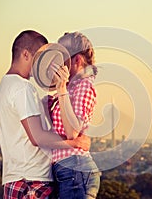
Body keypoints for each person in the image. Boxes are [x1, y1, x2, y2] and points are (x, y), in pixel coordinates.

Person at [0, 30, 90, 199]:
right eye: (39, 57)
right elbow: (37, 137)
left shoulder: (4, 87)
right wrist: (75, 143)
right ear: (25, 54)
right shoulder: (23, 88)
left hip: (14, 179)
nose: (42, 64)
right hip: (32, 181)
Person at [46, 32, 100, 199]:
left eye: (63, 59)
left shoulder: (83, 86)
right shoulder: (71, 88)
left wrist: (61, 89)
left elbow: (72, 132)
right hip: (68, 170)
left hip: (75, 169)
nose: (59, 64)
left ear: (77, 60)